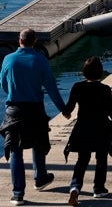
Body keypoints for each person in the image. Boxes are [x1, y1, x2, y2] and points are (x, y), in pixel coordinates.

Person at [0, 28, 67, 206]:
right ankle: (40, 177)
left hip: (14, 110)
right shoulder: (41, 60)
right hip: (35, 109)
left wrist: (14, 94)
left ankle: (17, 194)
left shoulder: (8, 59)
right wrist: (63, 109)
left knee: (15, 150)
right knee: (38, 143)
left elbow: (4, 85)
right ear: (35, 41)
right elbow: (51, 88)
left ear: (19, 40)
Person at [63, 57, 112, 206]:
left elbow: (68, 109)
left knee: (82, 160)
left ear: (84, 72)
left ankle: (75, 187)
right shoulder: (104, 89)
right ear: (100, 72)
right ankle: (99, 189)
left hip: (83, 128)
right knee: (101, 159)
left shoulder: (77, 87)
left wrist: (67, 113)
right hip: (101, 129)